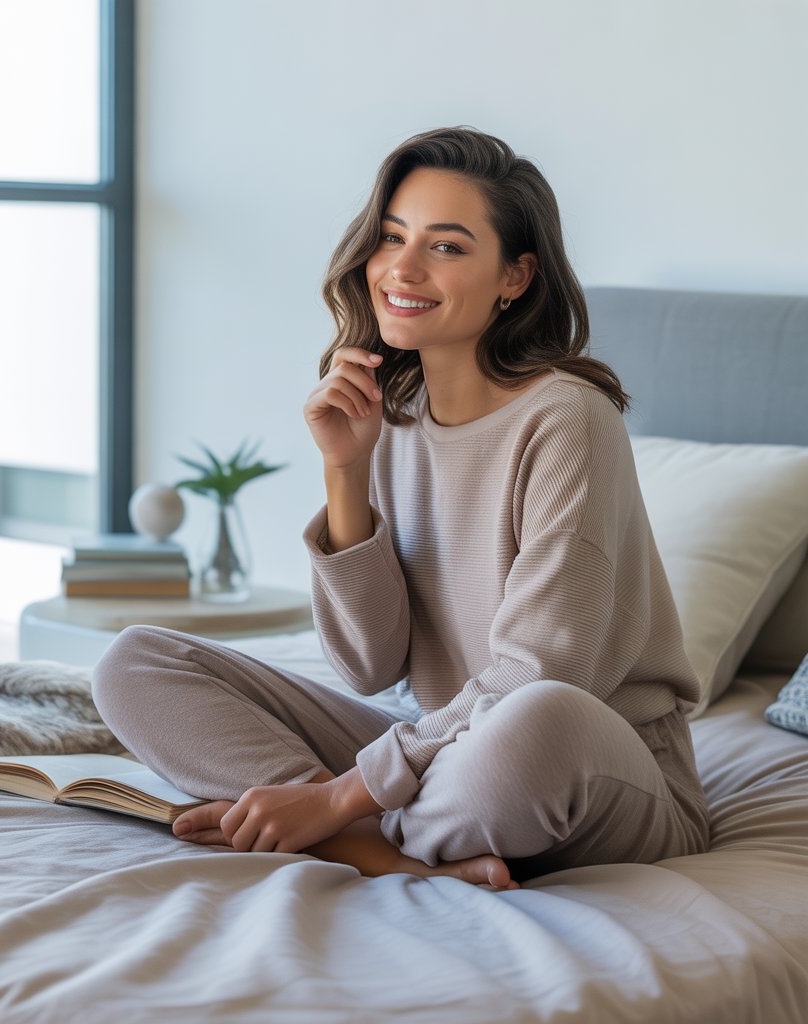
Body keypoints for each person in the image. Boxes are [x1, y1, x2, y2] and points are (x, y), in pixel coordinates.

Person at [91, 127, 710, 889]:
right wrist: (345, 470)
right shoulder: (391, 418)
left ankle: (342, 825)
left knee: (535, 721)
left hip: (589, 762)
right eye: (391, 237)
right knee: (135, 661)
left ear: (514, 277)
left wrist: (336, 794)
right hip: (445, 754)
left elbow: (537, 674)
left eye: (447, 247)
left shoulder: (568, 418)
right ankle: (371, 848)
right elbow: (367, 665)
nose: (402, 268)